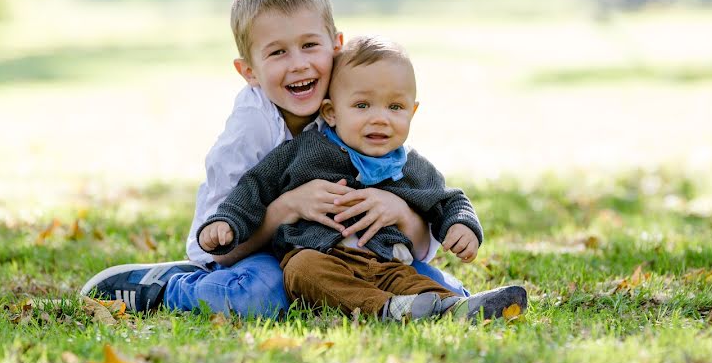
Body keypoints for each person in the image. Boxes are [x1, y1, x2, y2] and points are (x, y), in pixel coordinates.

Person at [80, 0, 469, 317]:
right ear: (248, 71)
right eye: (278, 52)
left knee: (441, 288)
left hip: (355, 255)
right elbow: (217, 247)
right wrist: (286, 208)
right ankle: (169, 288)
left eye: (310, 46)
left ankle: (421, 305)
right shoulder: (250, 130)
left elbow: (422, 225)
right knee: (263, 297)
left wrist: (399, 209)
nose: (298, 63)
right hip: (261, 255)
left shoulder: (354, 103)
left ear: (336, 46)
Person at [198, 35, 527, 321]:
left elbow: (447, 199)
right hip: (319, 257)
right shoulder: (306, 151)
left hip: (385, 263)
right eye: (362, 105)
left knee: (415, 282)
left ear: (412, 111)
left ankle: (452, 309)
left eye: (395, 107)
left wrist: (461, 225)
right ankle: (386, 309)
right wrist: (228, 221)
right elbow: (256, 184)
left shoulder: (409, 164)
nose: (380, 119)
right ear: (331, 112)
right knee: (302, 271)